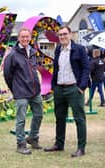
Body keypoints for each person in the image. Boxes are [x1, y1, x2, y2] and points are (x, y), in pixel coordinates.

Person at [44, 26, 90, 157]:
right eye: (60, 35)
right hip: (59, 89)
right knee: (59, 117)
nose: (62, 37)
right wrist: (53, 86)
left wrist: (81, 87)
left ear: (70, 34)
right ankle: (59, 144)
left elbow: (86, 69)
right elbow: (56, 68)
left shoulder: (79, 49)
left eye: (65, 34)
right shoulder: (58, 49)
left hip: (74, 89)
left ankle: (81, 148)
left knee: (79, 118)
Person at [3, 27, 43, 155]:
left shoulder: (32, 51)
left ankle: (33, 137)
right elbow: (7, 74)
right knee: (21, 119)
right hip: (21, 92)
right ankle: (20, 143)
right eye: (23, 37)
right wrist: (15, 88)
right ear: (19, 38)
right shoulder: (13, 55)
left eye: (27, 37)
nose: (25, 39)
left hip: (35, 91)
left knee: (39, 115)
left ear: (30, 38)